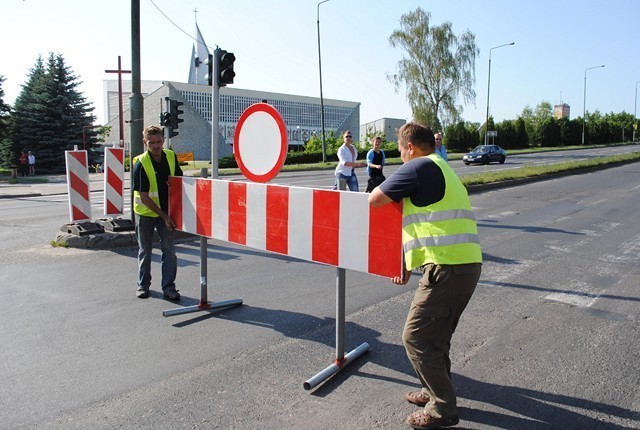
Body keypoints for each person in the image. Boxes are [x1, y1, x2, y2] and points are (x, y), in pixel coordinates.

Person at [368, 122, 482, 430]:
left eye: (401, 151)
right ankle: (431, 392)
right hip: (461, 265)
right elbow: (425, 222)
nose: (401, 158)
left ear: (411, 147)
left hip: (448, 268)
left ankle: (442, 410)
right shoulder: (442, 166)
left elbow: (375, 199)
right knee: (435, 339)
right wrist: (404, 263)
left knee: (415, 337)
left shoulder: (418, 166)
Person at [133, 125, 183, 301]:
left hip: (166, 211)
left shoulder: (170, 156)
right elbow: (145, 197)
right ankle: (143, 285)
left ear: (163, 140)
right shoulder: (140, 163)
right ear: (145, 142)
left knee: (169, 250)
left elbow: (180, 179)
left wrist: (175, 184)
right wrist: (165, 216)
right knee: (145, 250)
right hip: (146, 213)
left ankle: (169, 287)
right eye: (151, 142)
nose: (156, 146)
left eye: (159, 141)